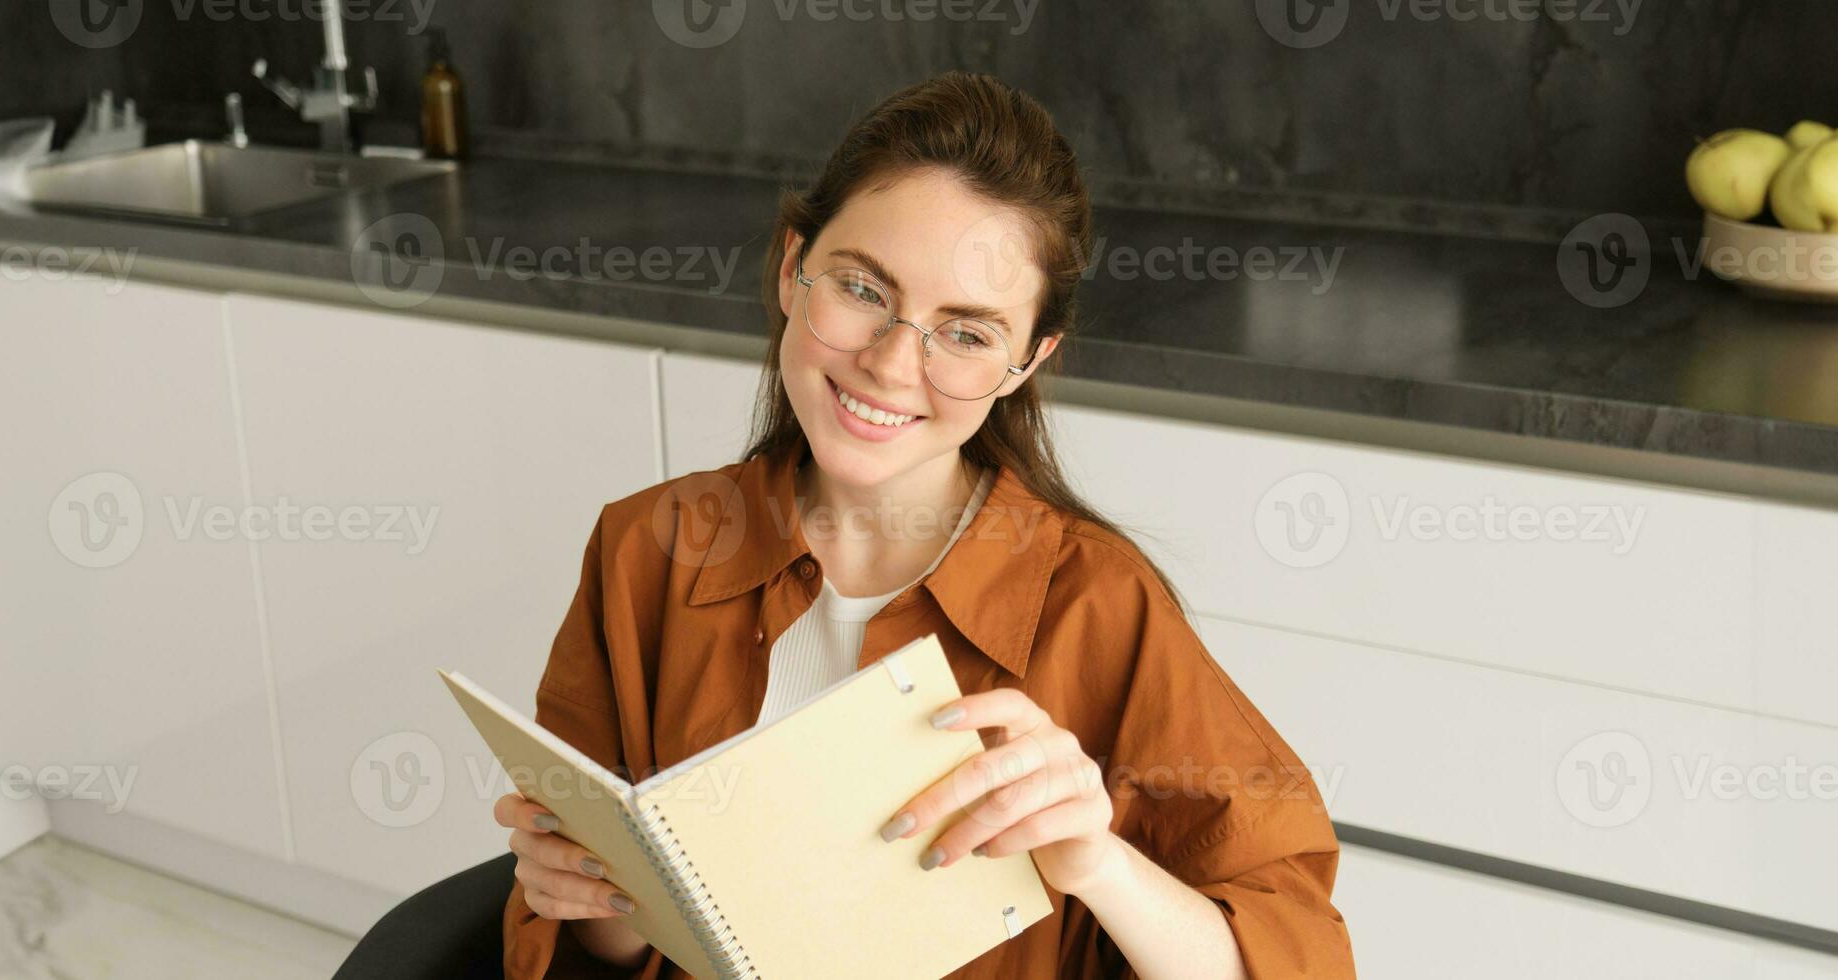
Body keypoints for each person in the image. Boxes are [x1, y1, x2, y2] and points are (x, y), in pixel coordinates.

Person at [490, 71, 1356, 979]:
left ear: (1025, 363)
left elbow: (1295, 958)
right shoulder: (647, 549)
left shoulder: (1100, 604)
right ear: (792, 269)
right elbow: (587, 947)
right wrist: (599, 902)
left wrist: (1099, 862)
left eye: (968, 333)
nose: (892, 365)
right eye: (863, 289)